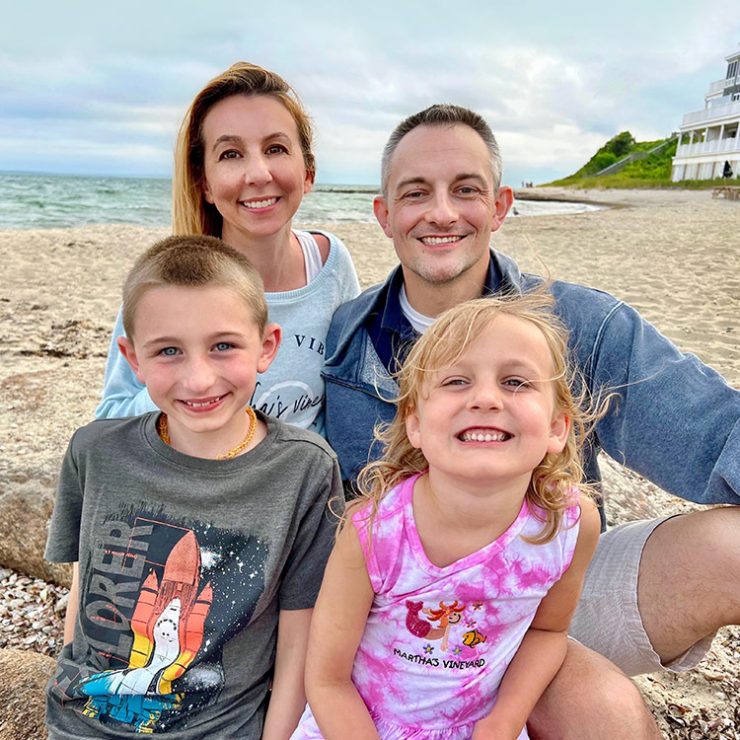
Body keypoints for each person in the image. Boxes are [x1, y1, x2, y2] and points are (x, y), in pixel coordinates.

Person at [323, 104, 740, 737]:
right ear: (384, 215)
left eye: (466, 190)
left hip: (549, 592)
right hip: (396, 618)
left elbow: (714, 432)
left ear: (500, 206)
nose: (441, 212)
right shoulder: (341, 338)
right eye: (416, 193)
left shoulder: (585, 324)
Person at [45, 235, 343, 738]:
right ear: (132, 359)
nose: (200, 379)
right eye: (168, 351)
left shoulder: (305, 470)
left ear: (267, 346)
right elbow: (85, 581)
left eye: (223, 346)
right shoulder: (94, 451)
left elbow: (299, 636)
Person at [295, 294, 601, 739]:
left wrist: (504, 722)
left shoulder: (568, 525)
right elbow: (327, 679)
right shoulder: (375, 530)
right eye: (456, 381)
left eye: (516, 382)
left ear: (557, 428)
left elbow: (549, 631)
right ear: (415, 424)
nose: (485, 398)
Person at [96, 62, 360, 435]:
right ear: (203, 182)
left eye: (276, 148)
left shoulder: (330, 263)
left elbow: (345, 393)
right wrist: (177, 381)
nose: (257, 173)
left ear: (308, 172)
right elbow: (110, 419)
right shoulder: (168, 281)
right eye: (231, 154)